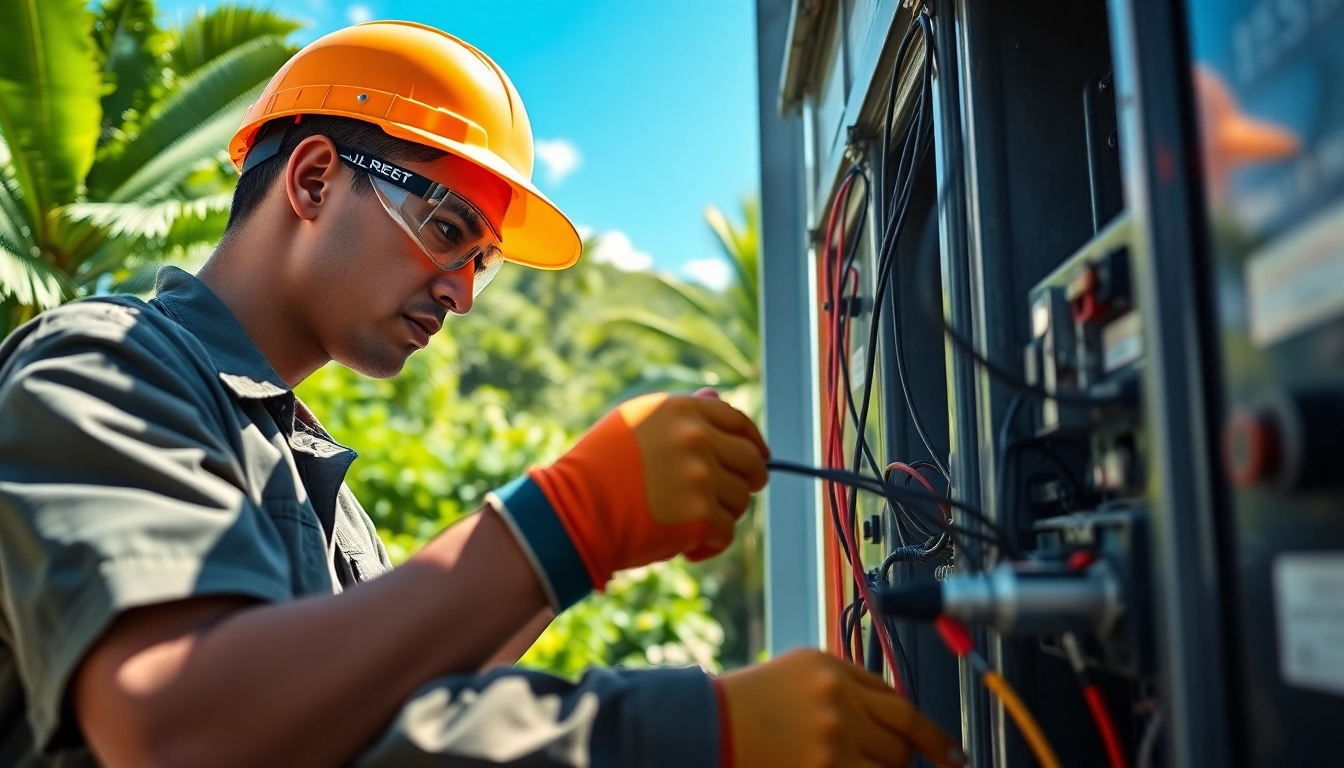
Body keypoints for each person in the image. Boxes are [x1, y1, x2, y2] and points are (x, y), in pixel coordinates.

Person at [0, 20, 964, 768]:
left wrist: (674, 679)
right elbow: (181, 729)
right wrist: (570, 521)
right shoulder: (100, 367)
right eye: (447, 226)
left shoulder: (316, 490)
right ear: (314, 178)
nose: (461, 292)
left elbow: (376, 721)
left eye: (482, 263)